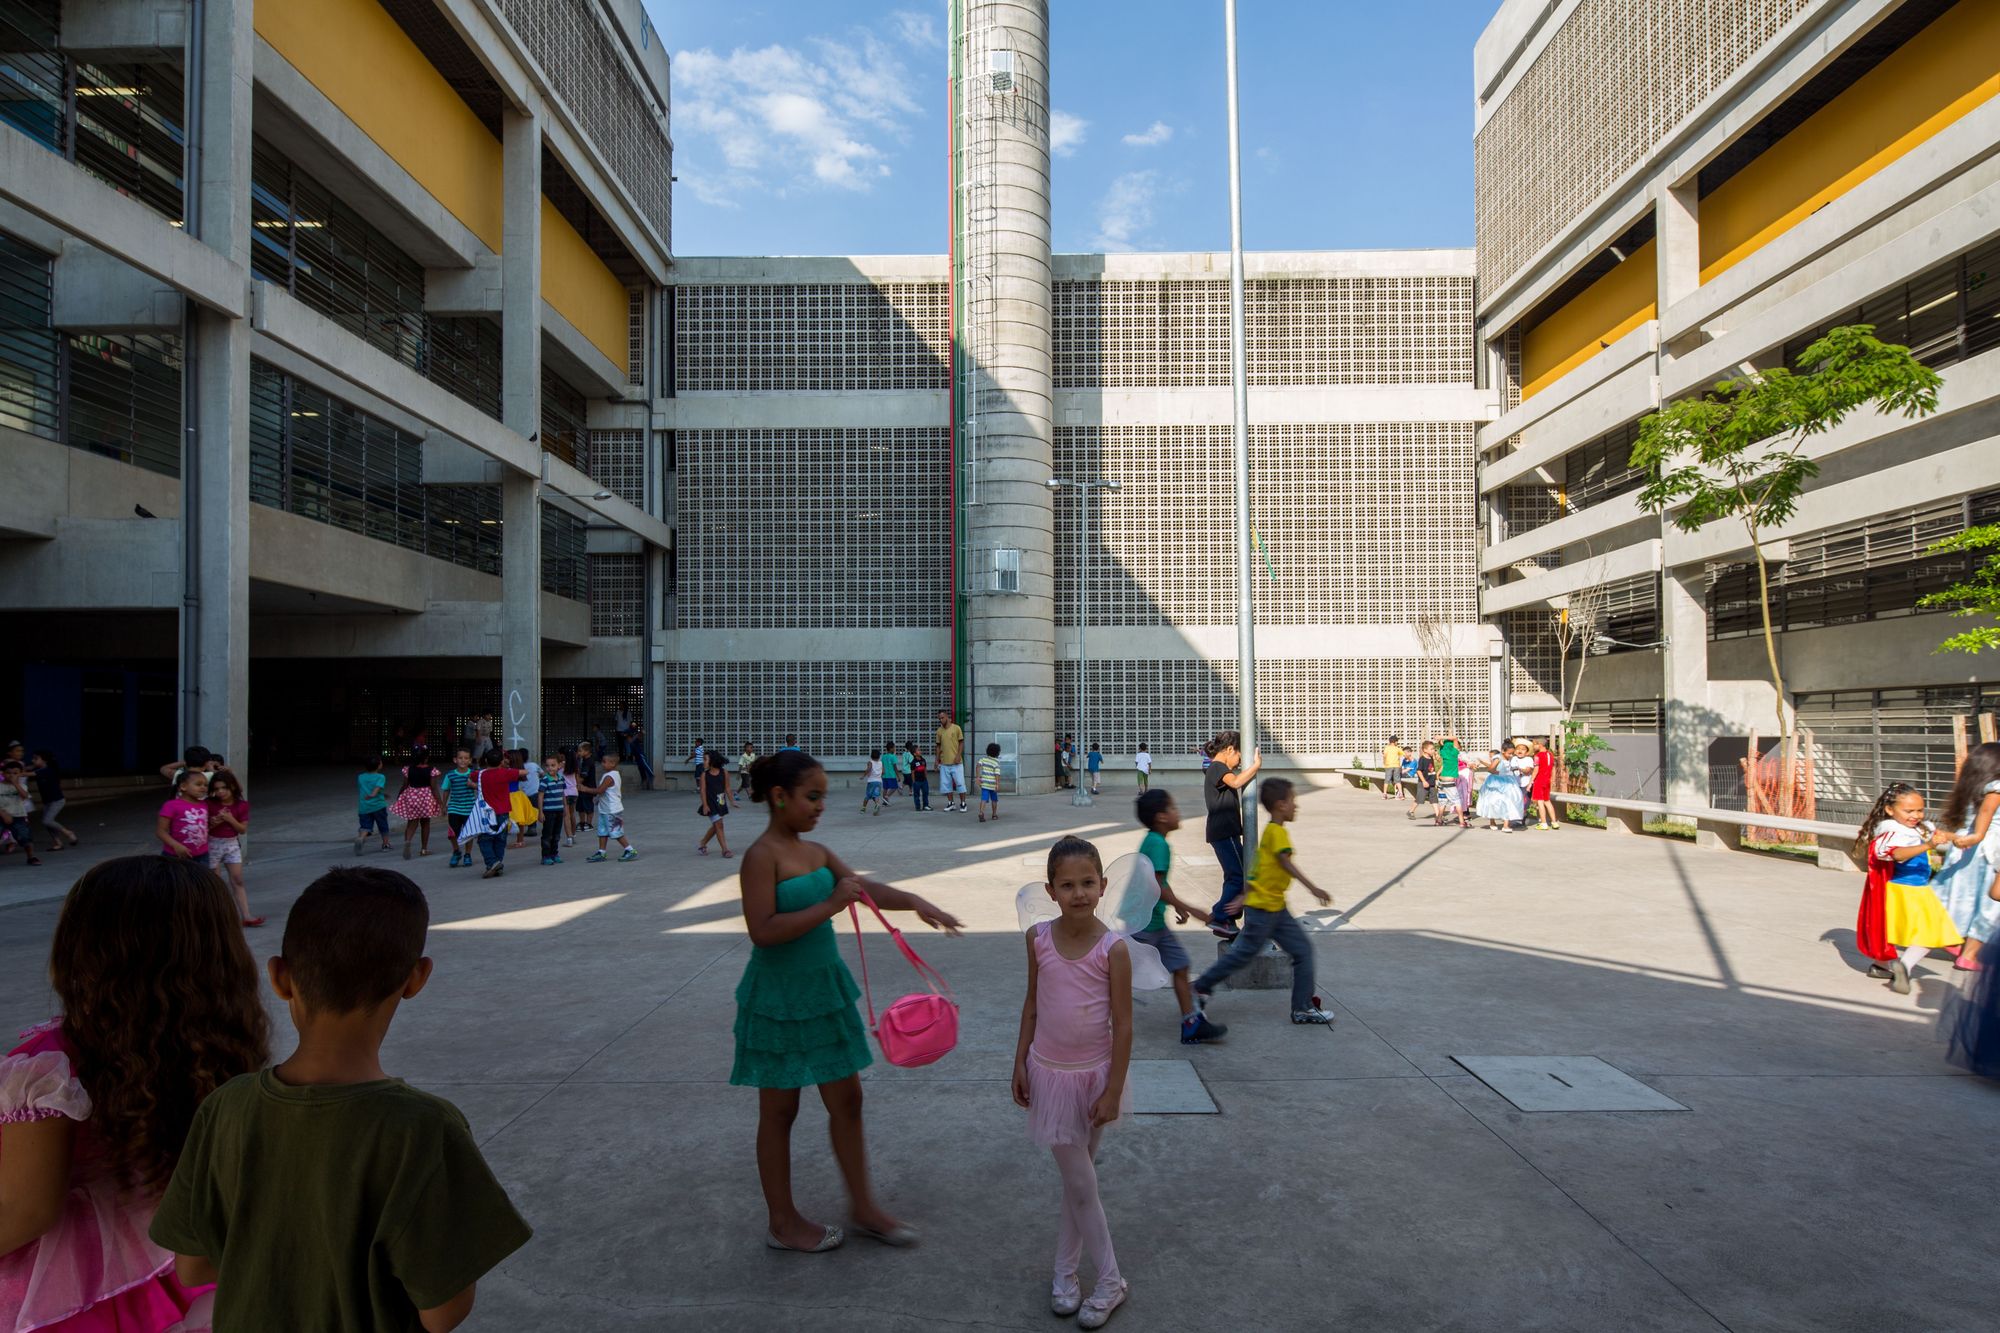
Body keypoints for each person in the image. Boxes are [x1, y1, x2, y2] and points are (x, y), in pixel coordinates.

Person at [150, 867, 532, 1330]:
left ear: (279, 976)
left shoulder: (225, 1107)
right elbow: (442, 1312)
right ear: (416, 979)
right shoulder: (422, 1128)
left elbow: (191, 1267)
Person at [1, 856, 269, 1333]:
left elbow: (26, 1210)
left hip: (77, 1299)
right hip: (186, 1276)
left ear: (82, 950)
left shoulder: (48, 1069)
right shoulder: (221, 1051)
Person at [731, 749, 962, 1253]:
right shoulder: (761, 857)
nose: (819, 807)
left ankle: (864, 1207)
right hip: (778, 997)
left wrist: (918, 902)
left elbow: (862, 887)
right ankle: (782, 1221)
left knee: (849, 1102)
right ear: (778, 797)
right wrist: (830, 904)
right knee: (779, 1111)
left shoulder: (816, 852)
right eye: (811, 797)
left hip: (823, 992)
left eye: (823, 798)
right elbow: (763, 931)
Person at [1011, 835, 1132, 1326]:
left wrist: (1114, 1090)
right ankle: (1107, 1279)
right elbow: (1033, 1004)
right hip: (1049, 1075)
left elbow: (1124, 1025)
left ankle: (1070, 1274)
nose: (1078, 893)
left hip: (1096, 1079)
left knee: (1076, 1184)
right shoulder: (1037, 939)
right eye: (1067, 885)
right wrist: (1019, 1061)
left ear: (1103, 886)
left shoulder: (1113, 948)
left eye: (1087, 883)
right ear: (1051, 889)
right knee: (1079, 1181)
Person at [1192, 778, 1336, 1026]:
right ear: (1280, 805)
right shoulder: (1277, 834)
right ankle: (1200, 988)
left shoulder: (1271, 832)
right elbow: (1285, 863)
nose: (1296, 806)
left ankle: (1302, 1008)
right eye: (1293, 801)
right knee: (1242, 955)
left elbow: (1258, 870)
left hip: (1275, 908)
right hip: (1264, 911)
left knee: (1302, 951)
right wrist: (1314, 888)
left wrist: (1243, 895)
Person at [1134, 790, 1227, 1045]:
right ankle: (1087, 1012)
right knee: (1117, 975)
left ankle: (1191, 1023)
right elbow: (1156, 885)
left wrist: (1176, 905)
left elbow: (1159, 881)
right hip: (1144, 924)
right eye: (1173, 808)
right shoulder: (1159, 845)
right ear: (1162, 817)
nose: (1178, 812)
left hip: (1154, 922)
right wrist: (1192, 908)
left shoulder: (1152, 840)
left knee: (1181, 965)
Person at [1857, 783, 1960, 994]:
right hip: (1906, 890)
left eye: (1919, 810)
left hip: (1915, 888)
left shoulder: (1916, 827)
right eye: (1909, 811)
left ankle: (1881, 966)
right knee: (1933, 932)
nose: (1916, 815)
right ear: (1889, 810)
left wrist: (1956, 838)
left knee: (1894, 932)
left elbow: (1938, 833)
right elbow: (1898, 855)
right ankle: (1903, 966)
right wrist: (1929, 845)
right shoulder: (1893, 832)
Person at [1934, 741, 2000, 970]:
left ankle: (1952, 939)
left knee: (1961, 895)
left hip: (1966, 845)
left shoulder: (1973, 785)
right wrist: (1978, 836)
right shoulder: (1997, 788)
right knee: (1991, 904)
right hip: (1989, 848)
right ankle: (1969, 954)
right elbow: (1986, 814)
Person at [1202, 731, 1261, 939]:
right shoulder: (1217, 767)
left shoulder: (1215, 768)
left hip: (1224, 831)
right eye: (1239, 757)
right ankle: (1220, 915)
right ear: (1229, 750)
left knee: (1234, 875)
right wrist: (1255, 766)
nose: (1238, 764)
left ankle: (1227, 918)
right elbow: (1236, 783)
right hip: (1224, 830)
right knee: (1238, 875)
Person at [205, 768, 260, 926]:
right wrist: (212, 823)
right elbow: (202, 828)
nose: (221, 792)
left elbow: (242, 829)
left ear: (232, 787)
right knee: (216, 883)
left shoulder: (241, 805)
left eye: (224, 788)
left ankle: (246, 915)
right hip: (212, 843)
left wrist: (229, 819)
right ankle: (219, 916)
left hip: (232, 844)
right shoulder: (209, 804)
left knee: (238, 879)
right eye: (216, 789)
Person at [466, 749, 521, 878]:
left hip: (487, 813)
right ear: (501, 761)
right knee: (500, 840)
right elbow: (524, 772)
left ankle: (492, 863)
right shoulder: (505, 773)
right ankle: (497, 865)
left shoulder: (480, 774)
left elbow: (470, 776)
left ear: (485, 761)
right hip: (503, 812)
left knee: (484, 839)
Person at [390, 745, 443, 860]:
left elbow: (404, 785)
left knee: (411, 823)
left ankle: (407, 841)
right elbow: (434, 788)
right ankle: (424, 849)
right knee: (425, 824)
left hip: (412, 797)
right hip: (426, 799)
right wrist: (440, 803)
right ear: (426, 758)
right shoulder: (432, 770)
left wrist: (399, 796)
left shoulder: (408, 769)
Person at [584, 752, 637, 862]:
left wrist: (584, 789)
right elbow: (605, 792)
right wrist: (598, 800)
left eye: (604, 762)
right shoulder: (612, 774)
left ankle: (630, 850)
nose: (602, 764)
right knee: (602, 831)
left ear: (612, 764)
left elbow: (600, 790)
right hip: (605, 809)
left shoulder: (610, 776)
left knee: (616, 832)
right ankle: (601, 852)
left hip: (612, 809)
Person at [157, 768, 209, 862]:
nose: (203, 787)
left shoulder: (204, 805)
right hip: (175, 855)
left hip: (202, 855)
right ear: (183, 786)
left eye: (205, 785)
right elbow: (161, 831)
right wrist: (176, 845)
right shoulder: (171, 805)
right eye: (198, 784)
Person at [29, 749, 76, 850]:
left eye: (36, 758)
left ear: (44, 760)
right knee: (47, 823)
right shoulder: (40, 769)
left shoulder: (47, 769)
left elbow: (30, 774)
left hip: (57, 801)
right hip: (48, 801)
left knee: (47, 821)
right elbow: (27, 769)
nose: (33, 760)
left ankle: (68, 833)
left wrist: (17, 774)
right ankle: (58, 843)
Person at [442, 748, 478, 868]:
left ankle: (468, 854)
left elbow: (481, 787)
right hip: (454, 808)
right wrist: (443, 805)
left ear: (470, 760)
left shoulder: (473, 774)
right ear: (455, 760)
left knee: (469, 833)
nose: (463, 760)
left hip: (469, 808)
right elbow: (446, 790)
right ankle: (456, 851)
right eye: (460, 758)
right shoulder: (450, 775)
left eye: (466, 758)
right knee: (452, 833)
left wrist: (473, 785)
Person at [1475, 748, 1524, 832]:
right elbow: (1491, 769)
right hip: (1496, 782)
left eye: (1512, 753)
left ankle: (1506, 825)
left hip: (1508, 782)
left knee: (1508, 801)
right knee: (1493, 802)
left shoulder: (1511, 759)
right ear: (1503, 751)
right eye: (1509, 753)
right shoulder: (1498, 758)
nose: (1511, 755)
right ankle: (1492, 821)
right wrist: (1500, 773)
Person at [0, 759, 39, 865]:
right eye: (8, 773)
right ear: (3, 773)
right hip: (1, 815)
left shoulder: (22, 786)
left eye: (15, 773)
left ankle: (31, 857)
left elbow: (24, 796)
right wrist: (3, 814)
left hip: (18, 816)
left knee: (25, 836)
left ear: (20, 774)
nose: (11, 775)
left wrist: (15, 783)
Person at [698, 749, 733, 858]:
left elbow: (727, 788)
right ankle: (725, 850)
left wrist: (732, 801)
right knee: (719, 825)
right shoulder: (704, 775)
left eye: (705, 759)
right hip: (710, 803)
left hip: (721, 802)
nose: (703, 762)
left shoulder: (724, 772)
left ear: (712, 761)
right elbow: (702, 790)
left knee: (716, 826)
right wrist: (705, 805)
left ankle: (702, 843)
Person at [355, 757, 391, 854]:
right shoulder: (380, 777)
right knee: (383, 825)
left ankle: (361, 838)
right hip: (378, 806)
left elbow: (365, 788)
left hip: (364, 806)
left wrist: (382, 794)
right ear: (379, 765)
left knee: (365, 826)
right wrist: (373, 794)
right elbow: (377, 788)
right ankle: (385, 844)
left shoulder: (360, 777)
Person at [538, 751, 568, 866]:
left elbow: (563, 794)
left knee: (556, 834)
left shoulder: (561, 778)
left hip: (559, 810)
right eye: (547, 765)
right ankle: (545, 856)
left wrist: (565, 807)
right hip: (548, 811)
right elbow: (540, 796)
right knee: (547, 835)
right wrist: (540, 812)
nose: (550, 768)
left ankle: (554, 854)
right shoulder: (545, 780)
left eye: (553, 765)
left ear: (559, 766)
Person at [935, 709, 967, 813]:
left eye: (942, 717)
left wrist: (958, 755)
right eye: (939, 718)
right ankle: (951, 803)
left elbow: (961, 743)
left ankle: (963, 803)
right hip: (944, 763)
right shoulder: (939, 731)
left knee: (960, 784)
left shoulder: (956, 728)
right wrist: (937, 760)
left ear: (947, 717)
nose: (941, 720)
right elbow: (938, 746)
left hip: (956, 763)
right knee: (946, 784)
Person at [572, 740, 599, 849]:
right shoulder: (583, 760)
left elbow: (584, 775)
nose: (578, 753)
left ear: (587, 751)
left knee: (588, 805)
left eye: (580, 751)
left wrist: (577, 782)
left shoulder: (589, 761)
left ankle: (589, 823)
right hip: (582, 788)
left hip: (588, 787)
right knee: (580, 806)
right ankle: (582, 822)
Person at [1529, 736, 1558, 830]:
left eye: (1534, 744)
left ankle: (1544, 823)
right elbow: (1553, 768)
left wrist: (1530, 782)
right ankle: (1554, 822)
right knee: (1547, 801)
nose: (1533, 746)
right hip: (1547, 780)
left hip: (1539, 781)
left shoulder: (1537, 756)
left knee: (1540, 802)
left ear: (1539, 744)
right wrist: (1553, 779)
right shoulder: (1550, 754)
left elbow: (1536, 770)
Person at [978, 742, 1004, 821]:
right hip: (992, 785)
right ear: (997, 753)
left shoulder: (983, 759)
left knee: (984, 799)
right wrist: (997, 784)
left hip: (984, 784)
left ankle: (981, 813)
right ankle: (994, 814)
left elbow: (978, 765)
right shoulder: (996, 762)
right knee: (994, 799)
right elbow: (997, 774)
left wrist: (978, 776)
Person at [629, 722, 654, 791]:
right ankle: (644, 780)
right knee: (641, 768)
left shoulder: (635, 739)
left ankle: (651, 775)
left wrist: (642, 732)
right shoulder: (631, 742)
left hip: (640, 755)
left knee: (645, 765)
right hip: (637, 756)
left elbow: (640, 735)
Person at [907, 743, 931, 812]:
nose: (920, 751)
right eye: (918, 750)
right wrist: (914, 781)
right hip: (917, 781)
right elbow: (913, 772)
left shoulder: (923, 760)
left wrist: (926, 778)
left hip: (924, 781)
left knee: (925, 793)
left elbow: (925, 770)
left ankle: (925, 805)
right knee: (916, 794)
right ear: (914, 754)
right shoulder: (913, 762)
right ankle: (918, 807)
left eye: (920, 750)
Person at [861, 749, 885, 816]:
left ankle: (863, 808)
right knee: (876, 795)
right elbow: (883, 772)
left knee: (868, 795)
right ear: (879, 756)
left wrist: (863, 775)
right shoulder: (881, 763)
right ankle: (877, 804)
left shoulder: (870, 762)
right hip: (879, 782)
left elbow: (868, 769)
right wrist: (879, 775)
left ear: (871, 756)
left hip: (871, 781)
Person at [1381, 736, 1403, 801]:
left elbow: (1384, 756)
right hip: (1396, 766)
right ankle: (1401, 794)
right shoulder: (1397, 748)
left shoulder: (1386, 748)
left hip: (1388, 766)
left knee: (1387, 780)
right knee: (1398, 780)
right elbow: (1403, 754)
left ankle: (1385, 794)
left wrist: (1384, 763)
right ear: (1395, 742)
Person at [881, 742, 902, 807]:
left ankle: (884, 802)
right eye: (894, 747)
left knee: (885, 788)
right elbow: (895, 767)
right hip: (891, 775)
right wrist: (898, 776)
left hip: (884, 776)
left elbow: (882, 765)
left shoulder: (883, 756)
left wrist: (882, 772)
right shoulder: (893, 757)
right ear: (890, 749)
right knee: (894, 787)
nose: (895, 749)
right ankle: (887, 796)